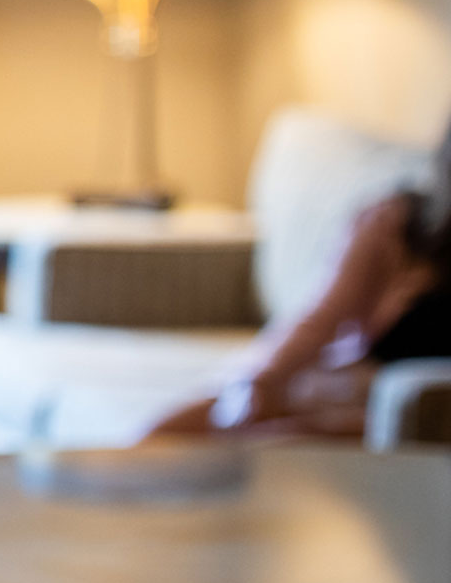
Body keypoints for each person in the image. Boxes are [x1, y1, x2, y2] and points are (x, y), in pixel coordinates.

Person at [146, 119, 451, 440]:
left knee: (268, 447)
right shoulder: (397, 222)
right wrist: (261, 381)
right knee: (169, 434)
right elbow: (320, 318)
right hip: (336, 391)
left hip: (385, 425)